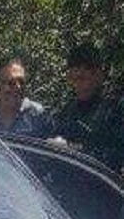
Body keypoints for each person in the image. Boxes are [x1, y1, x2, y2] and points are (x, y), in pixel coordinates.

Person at [51, 43, 124, 173]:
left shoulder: (114, 112)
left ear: (99, 76)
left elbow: (113, 157)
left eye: (81, 78)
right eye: (73, 78)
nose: (77, 84)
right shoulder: (67, 111)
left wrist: (71, 148)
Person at [0, 58, 50, 137]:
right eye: (11, 83)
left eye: (22, 82)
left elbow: (51, 141)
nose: (18, 87)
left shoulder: (37, 115)